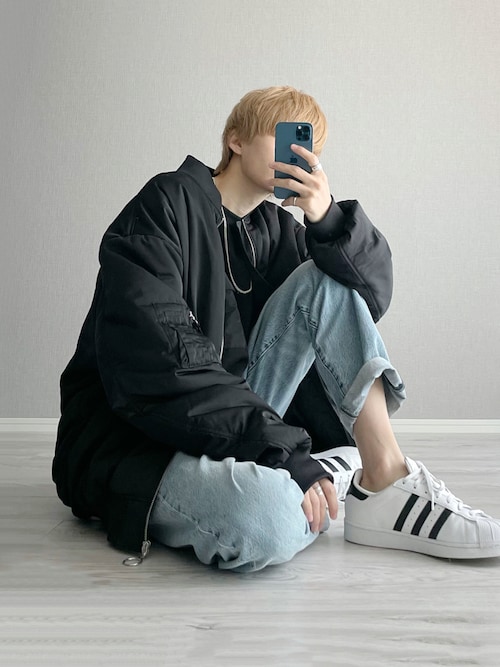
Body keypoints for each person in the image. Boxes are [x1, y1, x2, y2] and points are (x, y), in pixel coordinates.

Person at [52, 86, 500, 572]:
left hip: (234, 425)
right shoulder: (166, 203)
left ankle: (384, 478)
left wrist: (327, 221)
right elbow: (159, 360)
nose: (299, 156)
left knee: (326, 280)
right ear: (236, 140)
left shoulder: (278, 230)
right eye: (284, 137)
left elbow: (367, 299)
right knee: (271, 522)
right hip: (145, 437)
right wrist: (284, 450)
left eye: (308, 146)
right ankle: (318, 476)